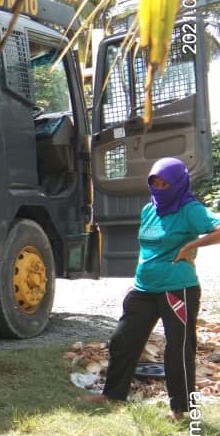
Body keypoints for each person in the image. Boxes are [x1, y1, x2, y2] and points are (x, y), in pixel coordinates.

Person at [83, 158, 220, 420]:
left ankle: (181, 409)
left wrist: (191, 247)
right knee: (123, 340)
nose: (158, 186)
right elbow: (148, 246)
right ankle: (112, 394)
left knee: (178, 349)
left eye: (164, 182)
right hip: (143, 289)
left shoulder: (190, 210)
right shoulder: (149, 209)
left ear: (178, 183)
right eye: (154, 181)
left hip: (177, 289)